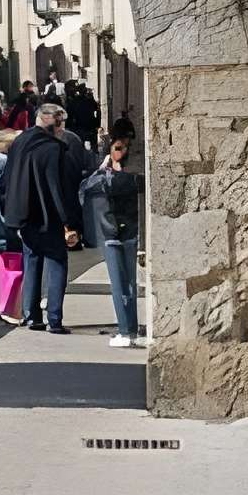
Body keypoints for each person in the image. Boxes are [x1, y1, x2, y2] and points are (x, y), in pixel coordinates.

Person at [1, 99, 83, 334]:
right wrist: (70, 221)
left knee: (32, 261)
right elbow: (59, 188)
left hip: (23, 216)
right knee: (57, 263)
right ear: (55, 126)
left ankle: (32, 316)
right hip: (49, 217)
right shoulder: (54, 149)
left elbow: (8, 179)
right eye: (61, 125)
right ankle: (54, 319)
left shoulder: (19, 143)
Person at [81, 128, 144, 346]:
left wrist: (104, 167)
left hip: (113, 232)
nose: (121, 152)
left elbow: (87, 189)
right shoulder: (133, 177)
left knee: (121, 284)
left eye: (123, 148)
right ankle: (130, 330)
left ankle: (126, 331)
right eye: (118, 148)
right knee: (128, 284)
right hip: (127, 231)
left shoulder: (108, 178)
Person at [0, 134, 24, 323]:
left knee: (6, 268)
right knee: (17, 267)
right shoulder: (6, 165)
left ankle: (5, 305)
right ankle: (12, 308)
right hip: (12, 222)